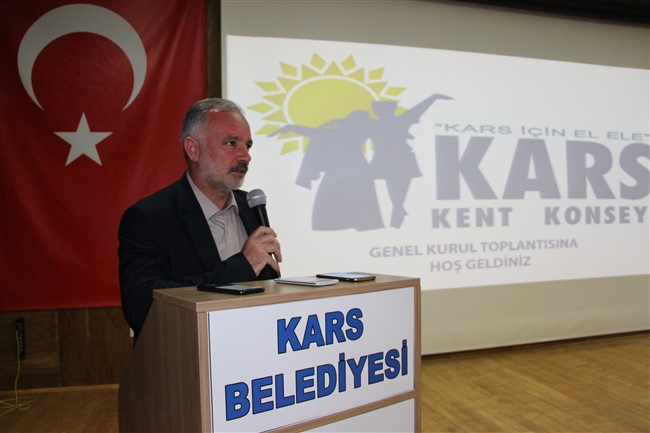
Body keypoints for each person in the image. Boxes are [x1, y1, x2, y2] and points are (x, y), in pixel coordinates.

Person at [118, 98, 282, 340]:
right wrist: (240, 268)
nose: (245, 156)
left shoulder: (251, 207)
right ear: (193, 149)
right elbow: (141, 306)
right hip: (186, 356)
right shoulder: (149, 218)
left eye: (247, 145)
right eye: (231, 143)